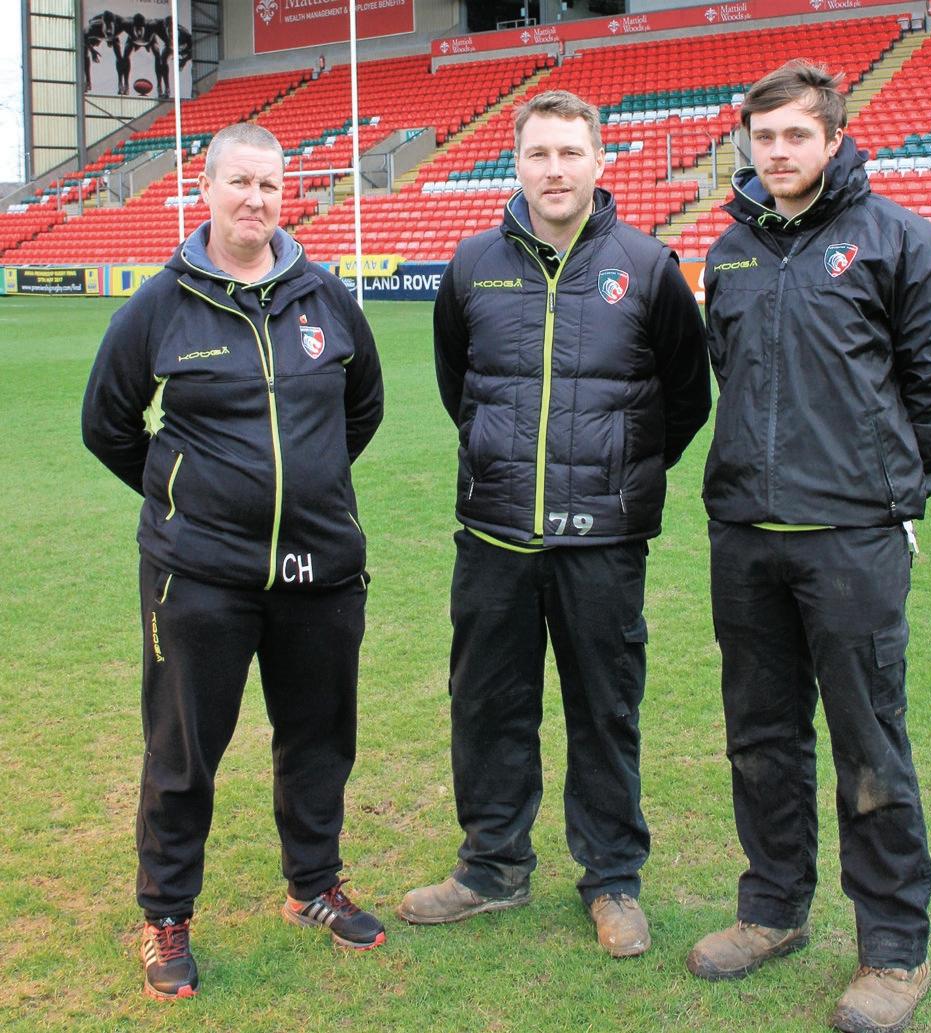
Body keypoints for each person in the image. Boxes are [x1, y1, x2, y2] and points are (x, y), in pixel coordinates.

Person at [688, 61, 931, 1033]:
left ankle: (892, 947)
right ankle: (772, 909)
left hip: (852, 540)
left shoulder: (895, 238)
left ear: (832, 138)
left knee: (868, 741)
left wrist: (888, 493)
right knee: (759, 737)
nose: (776, 152)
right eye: (762, 136)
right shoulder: (729, 250)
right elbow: (726, 373)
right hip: (745, 537)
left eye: (794, 135)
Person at [397, 90, 711, 958]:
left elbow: (686, 397)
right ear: (517, 163)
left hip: (601, 543)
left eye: (571, 152)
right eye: (539, 153)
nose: (555, 169)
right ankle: (491, 866)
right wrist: (497, 460)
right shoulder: (472, 264)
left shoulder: (646, 266)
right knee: (487, 706)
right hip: (494, 536)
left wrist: (619, 473)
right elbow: (460, 383)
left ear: (600, 162)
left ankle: (612, 878)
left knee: (604, 711)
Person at [82, 122, 386, 1000]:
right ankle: (166, 912)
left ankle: (314, 884)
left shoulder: (327, 298)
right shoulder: (159, 305)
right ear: (206, 189)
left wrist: (308, 488)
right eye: (240, 182)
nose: (256, 199)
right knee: (183, 751)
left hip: (320, 570)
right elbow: (108, 423)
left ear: (286, 196)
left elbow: (361, 409)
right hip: (199, 574)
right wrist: (189, 496)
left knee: (319, 738)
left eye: (270, 185)